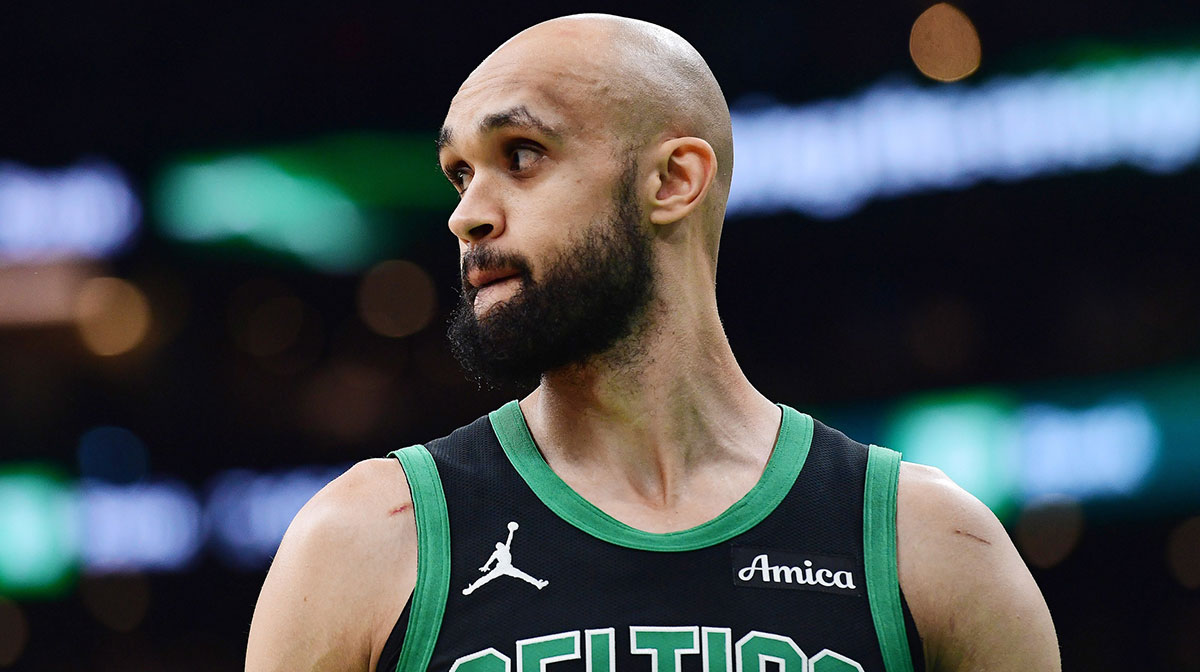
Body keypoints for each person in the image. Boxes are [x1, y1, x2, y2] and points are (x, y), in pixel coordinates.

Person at [245, 14, 1060, 672]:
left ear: (673, 180)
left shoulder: (933, 547)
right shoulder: (364, 541)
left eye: (520, 155)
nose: (467, 214)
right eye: (460, 172)